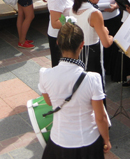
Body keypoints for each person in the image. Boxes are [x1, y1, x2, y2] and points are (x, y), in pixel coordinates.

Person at [39, 22, 111, 158]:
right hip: (88, 142)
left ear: (58, 43)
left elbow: (49, 102)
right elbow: (100, 118)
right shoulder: (93, 78)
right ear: (81, 45)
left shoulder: (44, 74)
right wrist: (106, 140)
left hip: (58, 141)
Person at [71, 0, 114, 93]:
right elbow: (106, 43)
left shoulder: (74, 8)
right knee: (96, 90)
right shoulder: (94, 13)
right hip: (91, 55)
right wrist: (110, 36)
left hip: (75, 53)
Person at [47, 0, 79, 66]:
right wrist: (72, 20)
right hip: (58, 37)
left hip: (66, 34)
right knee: (60, 66)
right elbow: (55, 22)